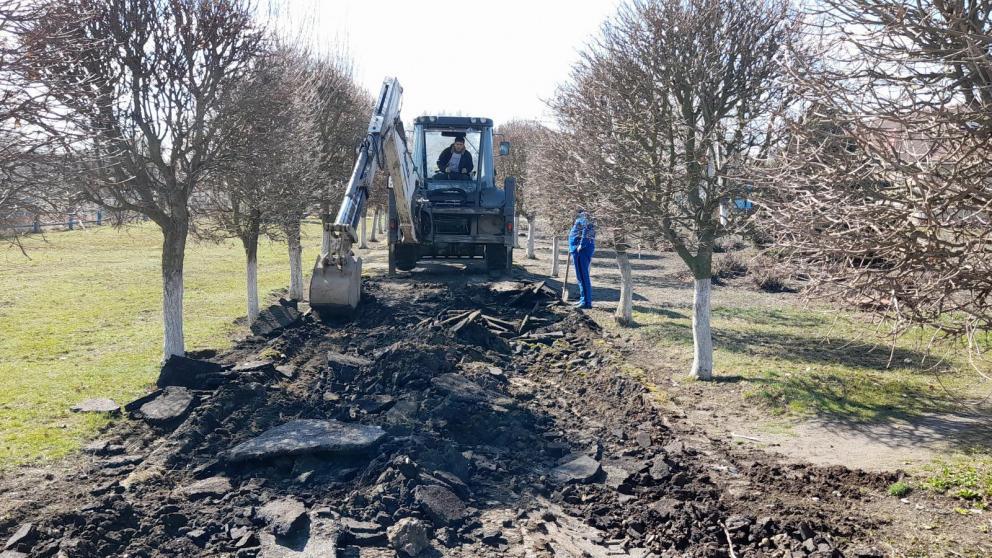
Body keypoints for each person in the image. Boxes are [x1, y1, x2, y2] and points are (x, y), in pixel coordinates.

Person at [568, 208, 596, 309]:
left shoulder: (585, 216)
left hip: (581, 251)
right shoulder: (582, 216)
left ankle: (586, 302)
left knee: (583, 276)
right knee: (580, 276)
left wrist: (581, 245)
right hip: (577, 249)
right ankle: (583, 299)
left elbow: (587, 230)